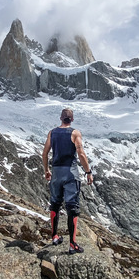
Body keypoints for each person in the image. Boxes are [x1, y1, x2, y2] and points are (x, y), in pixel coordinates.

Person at [42, 108, 93, 254]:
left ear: (60, 118)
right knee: (72, 207)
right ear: (72, 120)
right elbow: (81, 153)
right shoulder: (75, 133)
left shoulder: (52, 133)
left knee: (55, 204)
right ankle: (72, 244)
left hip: (56, 173)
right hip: (70, 173)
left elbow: (45, 153)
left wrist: (46, 170)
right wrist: (88, 172)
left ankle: (54, 237)